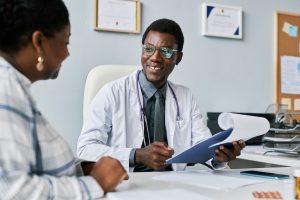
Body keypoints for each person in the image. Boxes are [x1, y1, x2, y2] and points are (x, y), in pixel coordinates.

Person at [77, 18, 245, 172]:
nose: (155, 57)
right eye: (149, 49)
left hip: (172, 185)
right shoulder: (111, 92)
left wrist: (218, 156)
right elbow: (85, 149)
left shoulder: (185, 96)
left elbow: (203, 146)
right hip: (128, 184)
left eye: (165, 51)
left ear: (178, 58)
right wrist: (136, 155)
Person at [0, 0, 128, 199]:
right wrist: (96, 183)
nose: (67, 53)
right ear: (39, 42)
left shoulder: (14, 86)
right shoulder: (5, 90)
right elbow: (13, 191)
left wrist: (83, 168)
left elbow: (37, 162)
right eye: (65, 42)